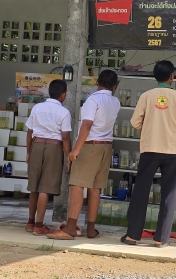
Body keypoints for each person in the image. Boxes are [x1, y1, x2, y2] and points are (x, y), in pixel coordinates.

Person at [121, 60, 176, 248]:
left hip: (150, 148)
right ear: (172, 76)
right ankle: (161, 238)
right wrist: (173, 129)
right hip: (172, 150)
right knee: (169, 194)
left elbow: (135, 122)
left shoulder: (146, 96)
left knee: (141, 191)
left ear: (155, 77)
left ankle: (132, 236)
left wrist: (150, 126)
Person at [47, 70, 120, 240]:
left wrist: (76, 150)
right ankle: (91, 229)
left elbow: (87, 125)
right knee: (95, 188)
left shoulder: (93, 100)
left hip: (90, 145)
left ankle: (71, 227)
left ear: (97, 83)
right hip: (106, 146)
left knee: (77, 185)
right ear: (115, 86)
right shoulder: (115, 102)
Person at [24, 79, 72, 236]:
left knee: (34, 186)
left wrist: (28, 151)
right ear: (63, 95)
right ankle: (39, 225)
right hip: (54, 147)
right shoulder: (64, 112)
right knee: (45, 187)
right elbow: (65, 137)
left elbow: (30, 132)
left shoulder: (37, 107)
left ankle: (30, 222)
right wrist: (68, 157)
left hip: (36, 145)